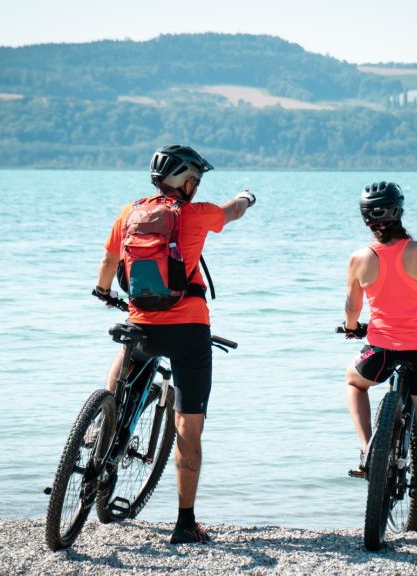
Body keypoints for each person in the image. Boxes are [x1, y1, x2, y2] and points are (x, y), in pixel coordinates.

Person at [94, 144, 255, 544]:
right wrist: (246, 197)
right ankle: (185, 523)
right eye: (195, 180)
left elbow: (109, 262)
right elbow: (232, 211)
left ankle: (103, 419)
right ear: (183, 180)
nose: (196, 188)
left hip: (142, 324)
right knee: (189, 427)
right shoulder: (195, 214)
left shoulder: (130, 211)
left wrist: (104, 293)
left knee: (126, 354)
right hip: (188, 332)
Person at [342, 181, 417, 536]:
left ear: (366, 220)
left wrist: (351, 328)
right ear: (400, 211)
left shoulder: (360, 258)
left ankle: (367, 449)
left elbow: (351, 309)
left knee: (353, 381)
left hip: (380, 350)